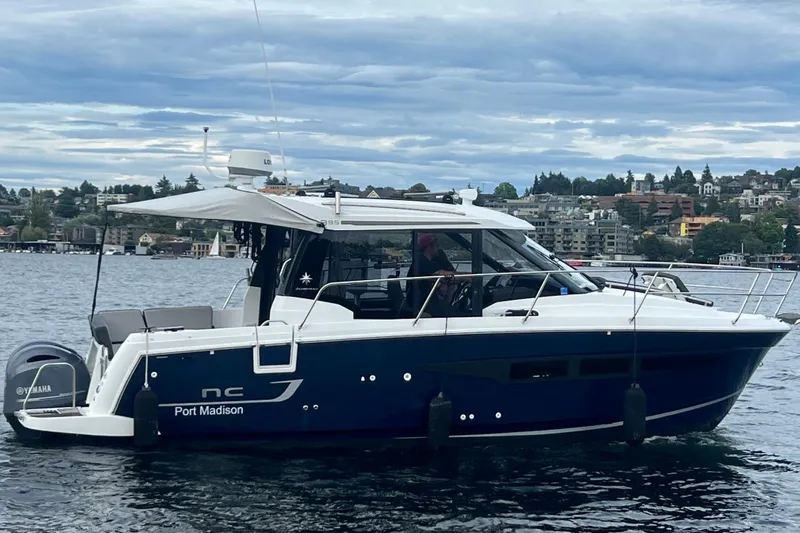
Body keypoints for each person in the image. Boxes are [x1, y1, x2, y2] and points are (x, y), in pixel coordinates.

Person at [407, 233, 459, 316]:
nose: (439, 248)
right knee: (457, 314)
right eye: (437, 246)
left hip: (426, 302)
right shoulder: (422, 261)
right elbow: (443, 274)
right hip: (422, 305)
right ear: (429, 246)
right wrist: (469, 277)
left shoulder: (424, 260)